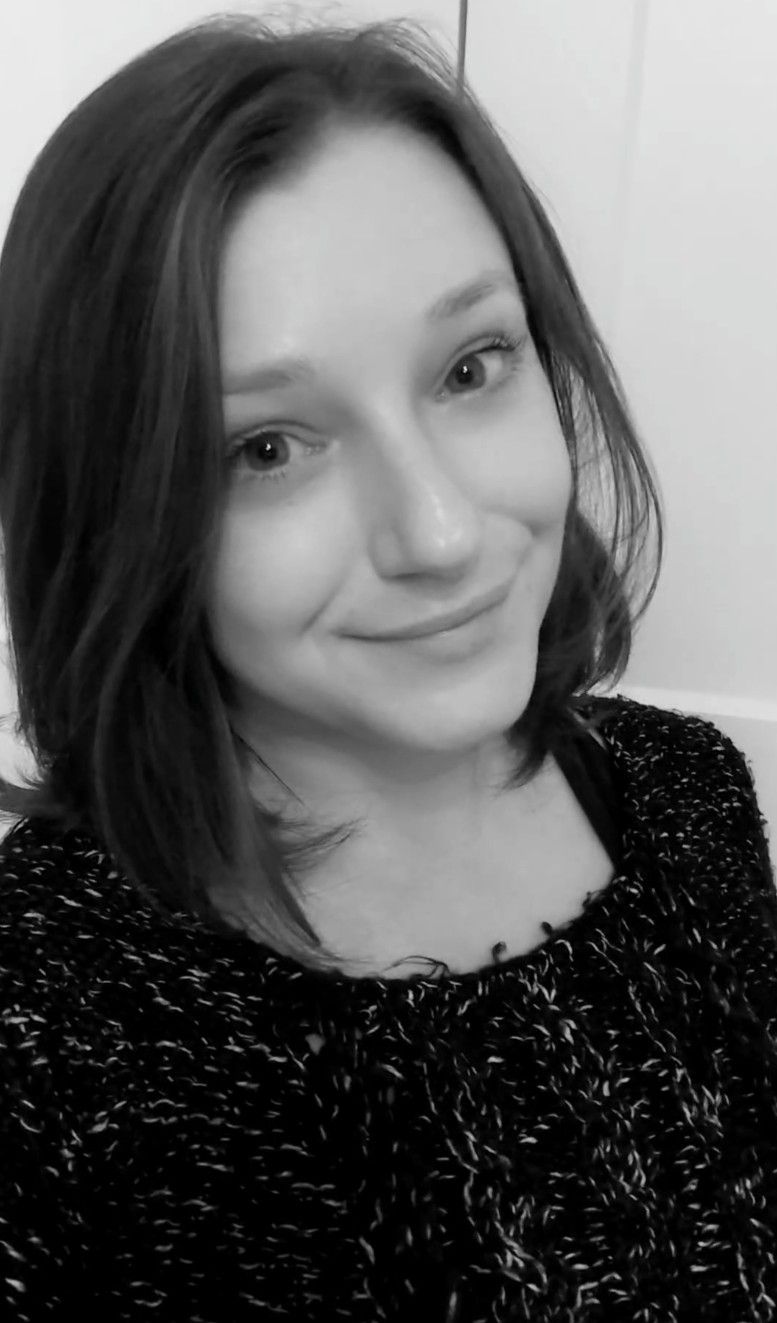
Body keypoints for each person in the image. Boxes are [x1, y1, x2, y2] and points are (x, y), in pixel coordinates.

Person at [0, 12, 775, 1322]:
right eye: (266, 448)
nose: (441, 532)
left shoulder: (688, 793)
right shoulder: (44, 1020)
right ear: (116, 509)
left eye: (471, 367)